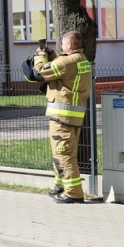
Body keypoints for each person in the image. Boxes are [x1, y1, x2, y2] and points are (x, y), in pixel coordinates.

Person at [33, 31, 92, 203]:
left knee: (64, 154)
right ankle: (60, 185)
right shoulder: (81, 59)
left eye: (64, 44)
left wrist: (40, 56)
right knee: (60, 153)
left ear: (71, 45)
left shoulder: (66, 62)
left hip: (62, 116)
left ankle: (73, 193)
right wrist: (52, 55)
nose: (62, 47)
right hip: (73, 115)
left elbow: (39, 72)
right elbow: (63, 67)